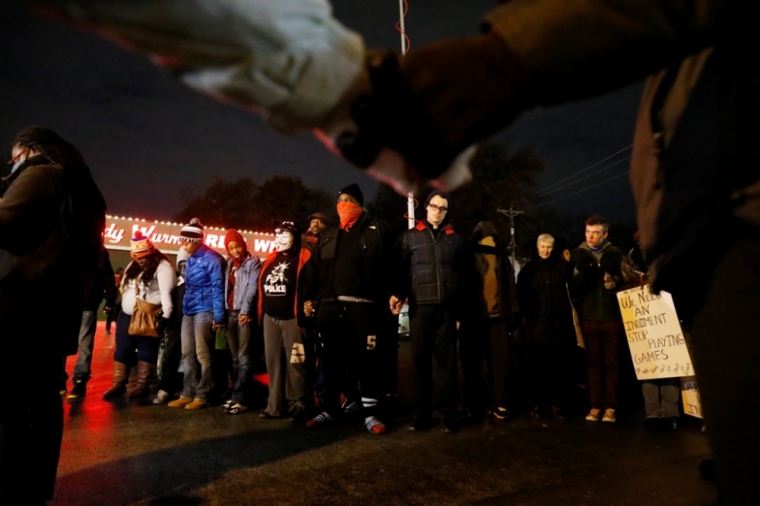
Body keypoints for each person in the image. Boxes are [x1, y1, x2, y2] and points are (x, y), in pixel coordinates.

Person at [38, 2, 760, 500]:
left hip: (731, 216)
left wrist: (502, 59)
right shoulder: (377, 237)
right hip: (702, 220)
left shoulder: (408, 239)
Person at [0, 126, 105, 505]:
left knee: (11, 404)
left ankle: (11, 488)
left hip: (22, 307)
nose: (12, 167)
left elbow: (5, 220)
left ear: (29, 149)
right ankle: (35, 489)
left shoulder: (44, 172)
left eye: (14, 159)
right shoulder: (83, 189)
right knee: (42, 402)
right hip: (53, 310)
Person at [302, 184, 396, 435]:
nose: (343, 204)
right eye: (340, 199)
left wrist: (396, 292)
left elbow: (393, 264)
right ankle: (330, 408)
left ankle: (370, 413)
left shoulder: (378, 229)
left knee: (368, 363)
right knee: (331, 362)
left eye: (349, 200)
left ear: (360, 204)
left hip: (364, 308)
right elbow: (313, 269)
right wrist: (308, 297)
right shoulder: (330, 232)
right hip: (331, 308)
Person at [390, 190, 465, 433]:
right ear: (427, 207)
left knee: (447, 364)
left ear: (447, 211)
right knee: (419, 362)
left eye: (443, 208)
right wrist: (397, 295)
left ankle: (447, 414)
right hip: (420, 308)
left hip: (447, 309)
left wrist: (461, 313)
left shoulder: (455, 239)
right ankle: (422, 414)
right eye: (434, 206)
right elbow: (400, 271)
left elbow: (464, 277)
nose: (438, 211)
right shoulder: (409, 238)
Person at [459, 221, 519, 423]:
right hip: (473, 319)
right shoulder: (467, 257)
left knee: (500, 365)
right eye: (485, 239)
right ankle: (475, 404)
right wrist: (460, 315)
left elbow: (510, 286)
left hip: (497, 320)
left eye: (491, 239)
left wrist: (514, 313)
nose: (489, 243)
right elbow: (461, 286)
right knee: (472, 366)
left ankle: (498, 401)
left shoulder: (501, 258)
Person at [104, 234, 176, 399]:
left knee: (146, 348)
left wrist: (166, 314)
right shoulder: (133, 265)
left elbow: (166, 292)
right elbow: (125, 287)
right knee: (123, 348)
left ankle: (143, 385)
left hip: (148, 315)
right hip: (127, 314)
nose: (139, 260)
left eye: (143, 257)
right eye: (136, 257)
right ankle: (118, 383)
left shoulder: (163, 267)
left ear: (151, 253)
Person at [570, 216, 624, 424]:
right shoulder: (579, 255)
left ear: (605, 234)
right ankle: (595, 405)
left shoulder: (615, 253)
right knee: (593, 363)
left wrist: (616, 281)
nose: (590, 236)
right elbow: (573, 287)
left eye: (595, 232)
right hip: (589, 316)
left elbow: (626, 279)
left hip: (611, 316)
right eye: (587, 232)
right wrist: (586, 277)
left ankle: (610, 407)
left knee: (612, 363)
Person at [168, 218, 226, 410]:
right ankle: (188, 392)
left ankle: (204, 393)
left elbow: (218, 288)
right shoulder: (191, 259)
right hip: (189, 311)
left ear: (195, 240)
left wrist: (218, 315)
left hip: (205, 310)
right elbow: (188, 287)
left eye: (185, 241)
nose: (182, 244)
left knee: (203, 354)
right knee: (187, 353)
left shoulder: (213, 259)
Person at [517, 233, 576, 419]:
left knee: (559, 368)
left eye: (549, 246)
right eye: (543, 246)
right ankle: (541, 404)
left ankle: (560, 404)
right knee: (539, 369)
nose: (546, 250)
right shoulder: (527, 270)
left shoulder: (563, 267)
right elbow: (521, 297)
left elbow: (574, 291)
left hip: (559, 325)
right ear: (537, 246)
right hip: (537, 327)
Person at [257, 221, 312, 419]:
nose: (279, 239)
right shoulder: (272, 258)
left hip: (293, 319)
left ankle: (298, 403)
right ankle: (275, 406)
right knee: (273, 363)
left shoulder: (305, 257)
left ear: (295, 238)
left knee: (297, 362)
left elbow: (312, 283)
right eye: (276, 234)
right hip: (271, 318)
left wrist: (309, 302)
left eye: (284, 235)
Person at [66, 246, 117, 400]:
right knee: (84, 344)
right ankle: (79, 381)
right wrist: (109, 300)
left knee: (63, 341)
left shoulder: (69, 244)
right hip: (85, 302)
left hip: (72, 302)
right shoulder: (98, 250)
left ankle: (61, 380)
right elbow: (107, 276)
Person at [221, 228, 261, 414]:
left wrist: (245, 310)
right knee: (235, 358)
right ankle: (236, 395)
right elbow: (224, 290)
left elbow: (252, 287)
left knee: (244, 357)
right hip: (229, 313)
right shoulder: (228, 264)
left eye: (238, 246)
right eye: (231, 247)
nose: (235, 250)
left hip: (243, 314)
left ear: (243, 245)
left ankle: (242, 398)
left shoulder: (253, 262)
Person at [153, 248, 189, 404]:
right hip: (175, 324)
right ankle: (166, 389)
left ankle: (186, 388)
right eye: (182, 264)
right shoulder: (176, 281)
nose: (185, 268)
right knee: (171, 355)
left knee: (191, 358)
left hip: (191, 322)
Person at [105, 266, 123, 335]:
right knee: (113, 315)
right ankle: (109, 329)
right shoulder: (116, 278)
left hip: (116, 299)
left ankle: (110, 329)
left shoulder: (118, 278)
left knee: (114, 315)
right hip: (114, 300)